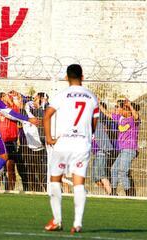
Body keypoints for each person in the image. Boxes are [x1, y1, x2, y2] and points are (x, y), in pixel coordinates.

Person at [43, 64, 99, 234]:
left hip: (63, 144)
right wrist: (88, 134)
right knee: (78, 183)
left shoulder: (61, 95)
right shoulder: (91, 97)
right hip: (81, 144)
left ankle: (58, 220)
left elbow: (47, 116)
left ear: (66, 77)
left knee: (55, 180)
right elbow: (94, 121)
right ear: (82, 76)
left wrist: (49, 137)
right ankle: (77, 223)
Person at [99, 98, 140, 196]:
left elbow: (136, 116)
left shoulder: (132, 120)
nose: (116, 108)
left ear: (124, 108)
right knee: (114, 169)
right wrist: (99, 104)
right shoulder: (120, 118)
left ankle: (129, 194)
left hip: (129, 149)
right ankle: (113, 192)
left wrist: (130, 105)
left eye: (117, 107)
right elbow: (107, 114)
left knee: (122, 171)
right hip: (123, 150)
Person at [0, 92, 20, 190]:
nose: (3, 99)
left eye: (5, 97)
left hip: (10, 140)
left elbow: (15, 115)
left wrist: (11, 103)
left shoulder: (13, 108)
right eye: (2, 97)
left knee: (10, 166)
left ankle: (11, 189)